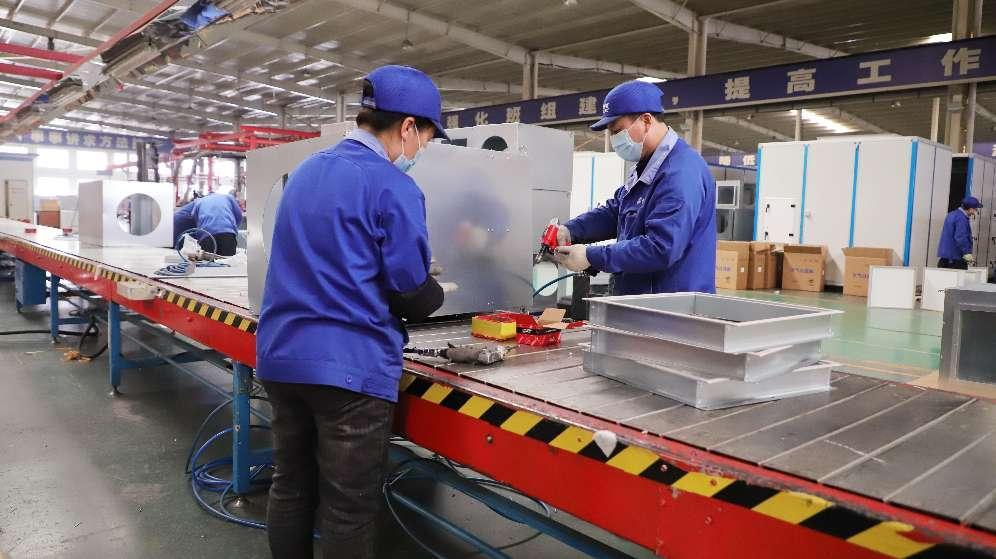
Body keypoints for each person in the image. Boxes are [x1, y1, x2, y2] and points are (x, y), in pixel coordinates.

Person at [255, 65, 447, 559]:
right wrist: (438, 293)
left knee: (291, 485)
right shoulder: (392, 185)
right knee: (347, 510)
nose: (421, 150)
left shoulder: (306, 171)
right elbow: (409, 290)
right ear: (408, 127)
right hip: (348, 370)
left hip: (281, 356)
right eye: (425, 139)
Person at [551, 80, 716, 294]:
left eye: (618, 131)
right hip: (641, 302)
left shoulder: (680, 173)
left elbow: (661, 247)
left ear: (646, 120)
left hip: (670, 307)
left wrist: (591, 256)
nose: (614, 140)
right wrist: (571, 230)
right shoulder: (647, 166)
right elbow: (616, 211)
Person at [172, 190, 243, 256]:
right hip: (227, 233)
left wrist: (199, 238)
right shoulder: (228, 197)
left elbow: (197, 221)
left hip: (206, 236)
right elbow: (239, 216)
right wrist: (233, 229)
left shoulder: (199, 201)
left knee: (208, 263)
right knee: (228, 262)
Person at [937, 196, 983, 270]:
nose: (975, 212)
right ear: (971, 209)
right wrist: (967, 253)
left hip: (945, 259)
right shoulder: (961, 218)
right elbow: (961, 237)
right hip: (955, 260)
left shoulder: (951, 214)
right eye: (975, 209)